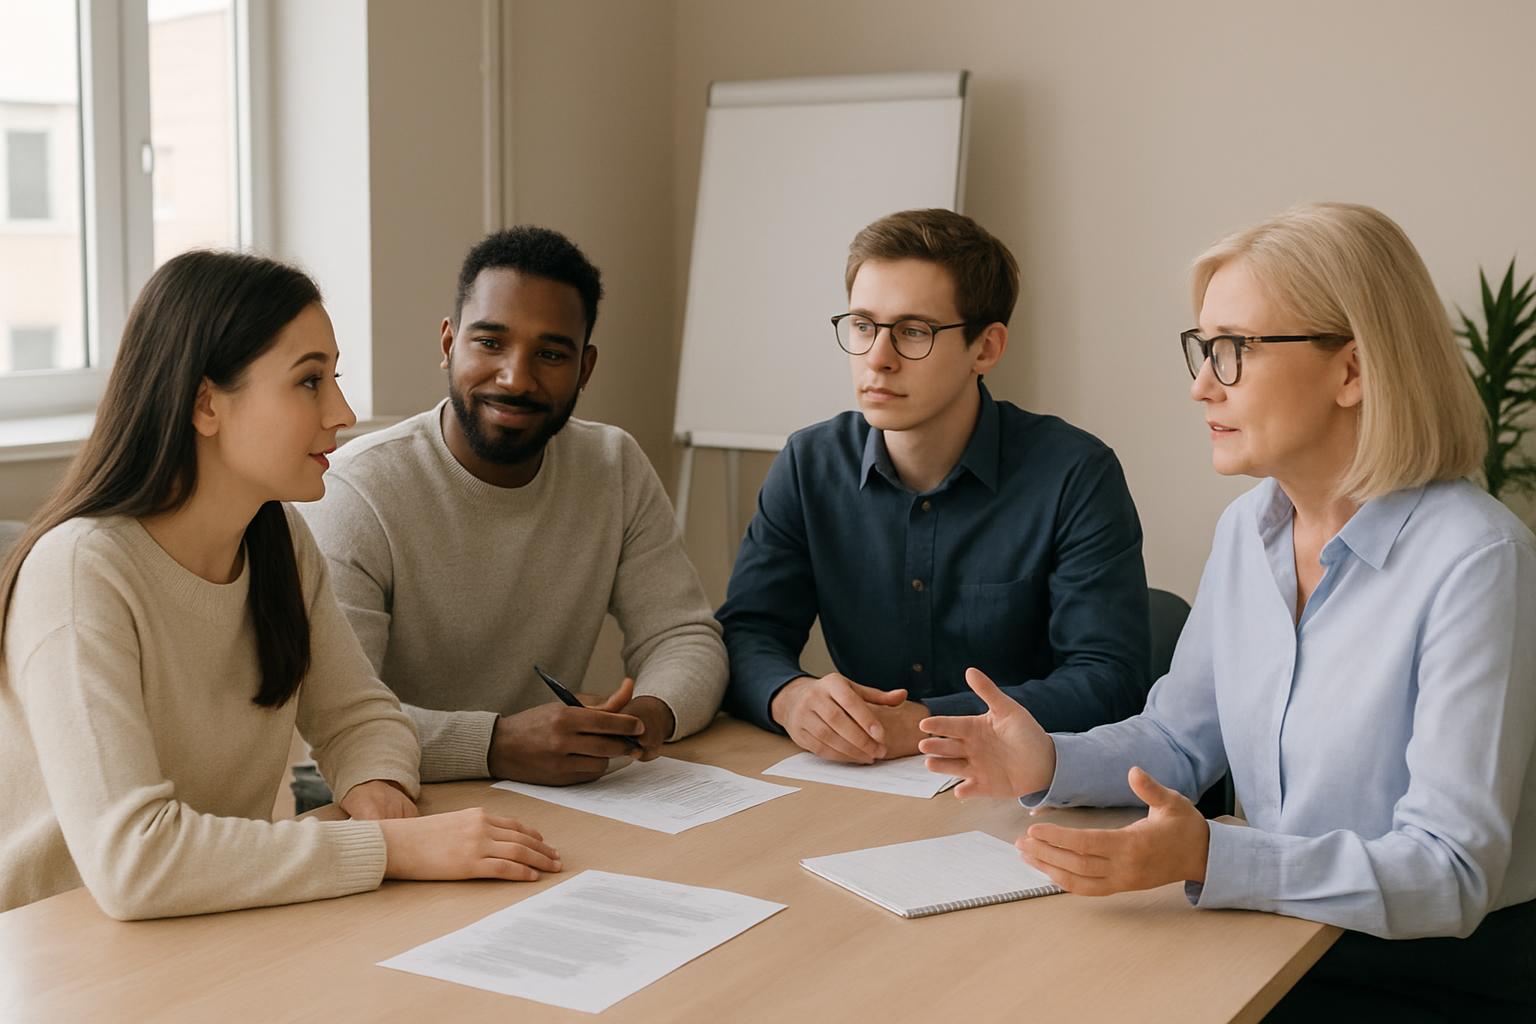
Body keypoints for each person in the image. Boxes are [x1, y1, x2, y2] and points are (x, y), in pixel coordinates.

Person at [919, 202, 1536, 1017]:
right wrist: (1047, 762)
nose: (1201, 384)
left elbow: (1449, 872)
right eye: (1203, 347)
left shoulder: (1478, 559)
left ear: (1353, 371)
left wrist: (1214, 855)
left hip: (1433, 977)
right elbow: (1180, 738)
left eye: (1235, 349)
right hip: (1271, 933)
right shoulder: (1251, 528)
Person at [0, 250, 560, 919]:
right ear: (205, 403)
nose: (342, 411)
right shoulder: (79, 572)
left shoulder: (278, 540)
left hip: (214, 921)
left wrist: (378, 790)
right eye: (309, 381)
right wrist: (391, 848)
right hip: (59, 943)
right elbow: (134, 862)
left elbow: (360, 718)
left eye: (334, 378)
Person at [718, 208, 1151, 765]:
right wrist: (789, 696)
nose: (878, 359)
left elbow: (1109, 679)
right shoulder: (810, 464)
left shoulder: (1075, 474)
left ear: (985, 348)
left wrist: (924, 722)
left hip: (1023, 788)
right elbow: (746, 633)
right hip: (861, 784)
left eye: (913, 332)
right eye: (863, 325)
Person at [301, 226, 726, 787]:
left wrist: (648, 715)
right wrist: (496, 744)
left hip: (559, 794)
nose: (516, 378)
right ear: (449, 344)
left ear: (585, 369)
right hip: (387, 795)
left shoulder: (613, 466)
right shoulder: (357, 491)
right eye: (490, 343)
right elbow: (337, 716)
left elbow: (685, 637)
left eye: (550, 354)